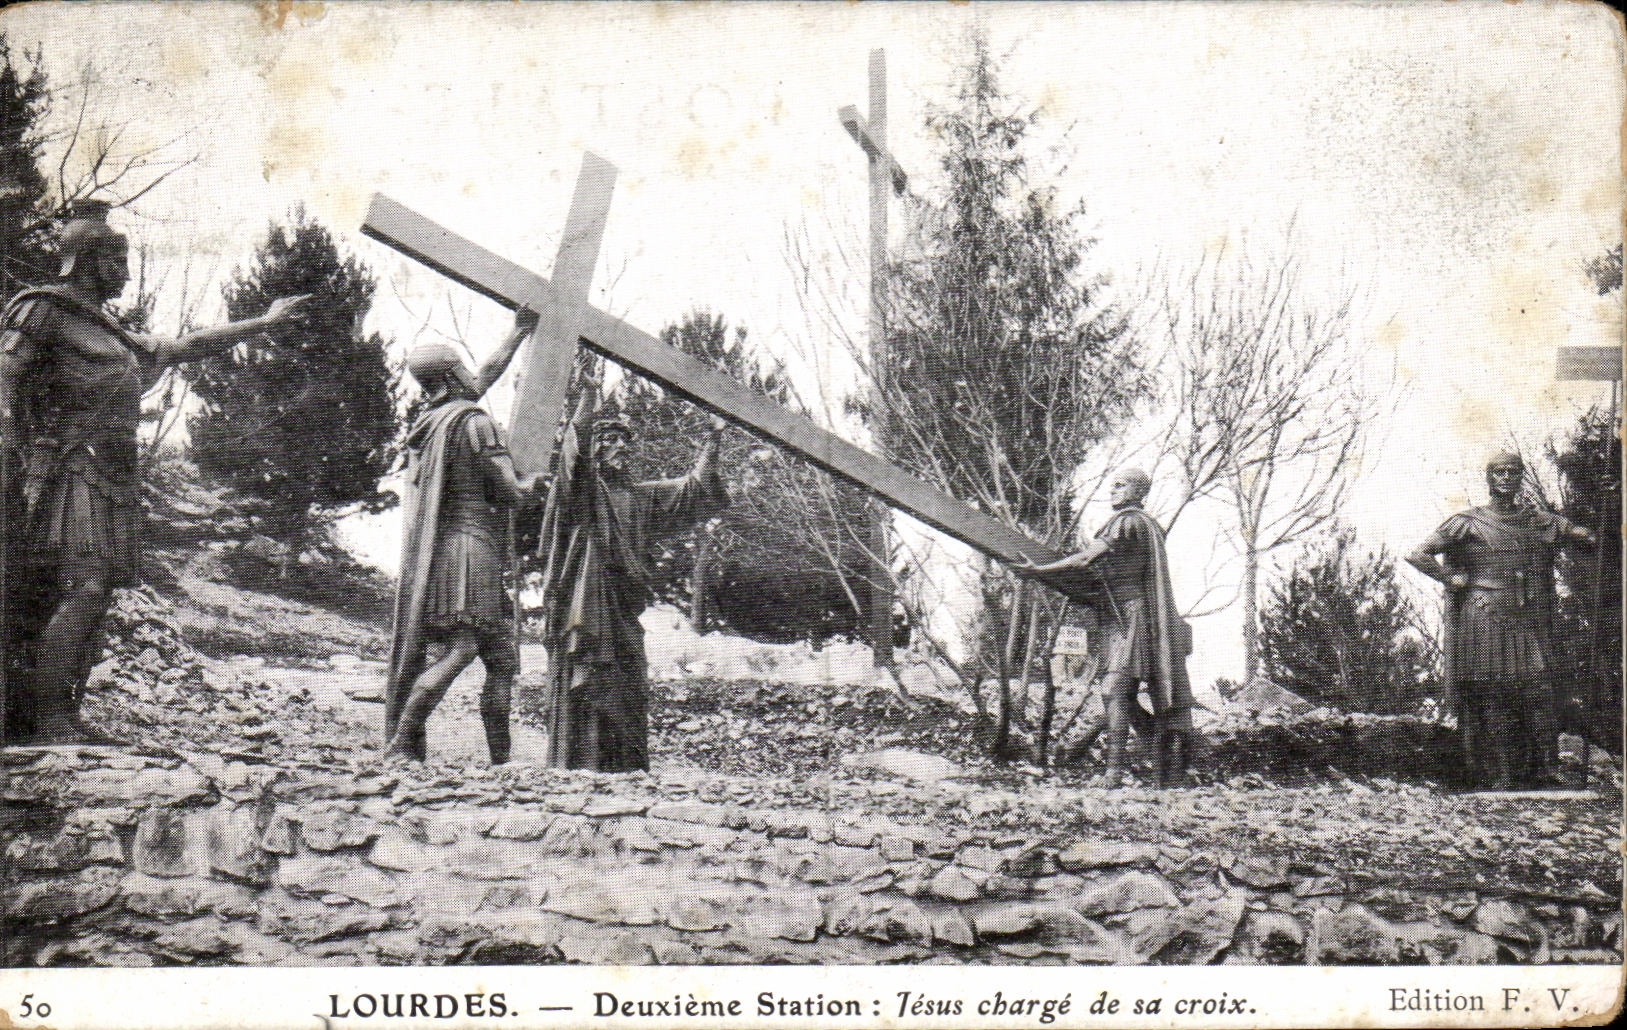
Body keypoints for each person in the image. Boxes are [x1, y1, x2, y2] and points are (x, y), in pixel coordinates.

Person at [0, 200, 308, 746]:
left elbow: (186, 346)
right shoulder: (43, 309)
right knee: (82, 589)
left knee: (94, 595)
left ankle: (65, 714)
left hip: (109, 474)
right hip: (67, 469)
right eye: (118, 261)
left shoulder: (112, 332)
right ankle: (44, 717)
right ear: (90, 260)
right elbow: (5, 375)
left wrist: (263, 322)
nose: (124, 273)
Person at [538, 374, 730, 772]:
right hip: (585, 605)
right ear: (594, 449)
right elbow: (570, 459)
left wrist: (712, 440)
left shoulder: (642, 497)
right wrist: (589, 398)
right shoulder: (582, 491)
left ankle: (624, 771)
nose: (622, 447)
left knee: (627, 684)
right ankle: (578, 770)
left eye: (626, 441)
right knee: (588, 680)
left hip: (623, 610)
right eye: (610, 441)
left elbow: (695, 490)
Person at [383, 309, 543, 763]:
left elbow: (483, 376)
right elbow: (511, 492)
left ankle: (502, 765)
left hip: (451, 549)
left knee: (503, 661)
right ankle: (399, 746)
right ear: (453, 373)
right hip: (473, 551)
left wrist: (517, 334)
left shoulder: (432, 424)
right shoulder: (475, 423)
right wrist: (535, 486)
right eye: (463, 368)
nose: (473, 374)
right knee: (462, 649)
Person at [1407, 451, 1594, 789]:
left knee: (1539, 689)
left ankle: (1544, 770)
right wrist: (1449, 576)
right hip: (1484, 612)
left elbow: (1585, 537)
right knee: (1491, 691)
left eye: (1512, 472)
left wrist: (1610, 500)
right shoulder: (1468, 521)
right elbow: (1417, 553)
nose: (1506, 477)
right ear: (1489, 478)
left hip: (1526, 615)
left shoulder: (1539, 520)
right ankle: (1497, 775)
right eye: (1499, 472)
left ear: (1520, 476)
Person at [1018, 468, 1193, 787]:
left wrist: (1039, 570)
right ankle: (1165, 755)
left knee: (1115, 690)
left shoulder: (1129, 521)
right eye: (1111, 484)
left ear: (1139, 492)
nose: (1112, 490)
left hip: (1132, 617)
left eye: (1121, 485)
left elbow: (1086, 559)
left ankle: (1115, 773)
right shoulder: (1146, 525)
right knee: (1117, 693)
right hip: (1122, 614)